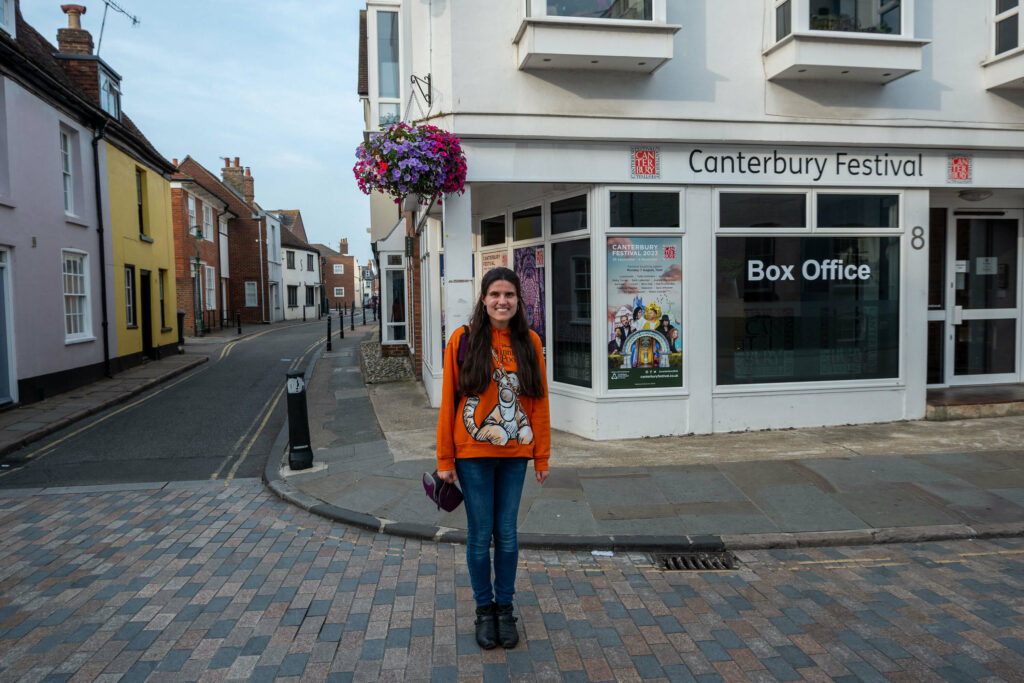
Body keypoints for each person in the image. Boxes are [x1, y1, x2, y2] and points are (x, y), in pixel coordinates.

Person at [436, 267, 550, 650]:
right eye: (495, 295)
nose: (503, 301)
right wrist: (444, 459)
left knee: (508, 536)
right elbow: (449, 401)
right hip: (472, 456)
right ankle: (484, 610)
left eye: (510, 295)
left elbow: (538, 403)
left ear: (519, 301)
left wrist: (542, 456)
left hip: (515, 454)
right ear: (483, 300)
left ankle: (505, 609)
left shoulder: (530, 342)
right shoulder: (463, 340)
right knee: (479, 535)